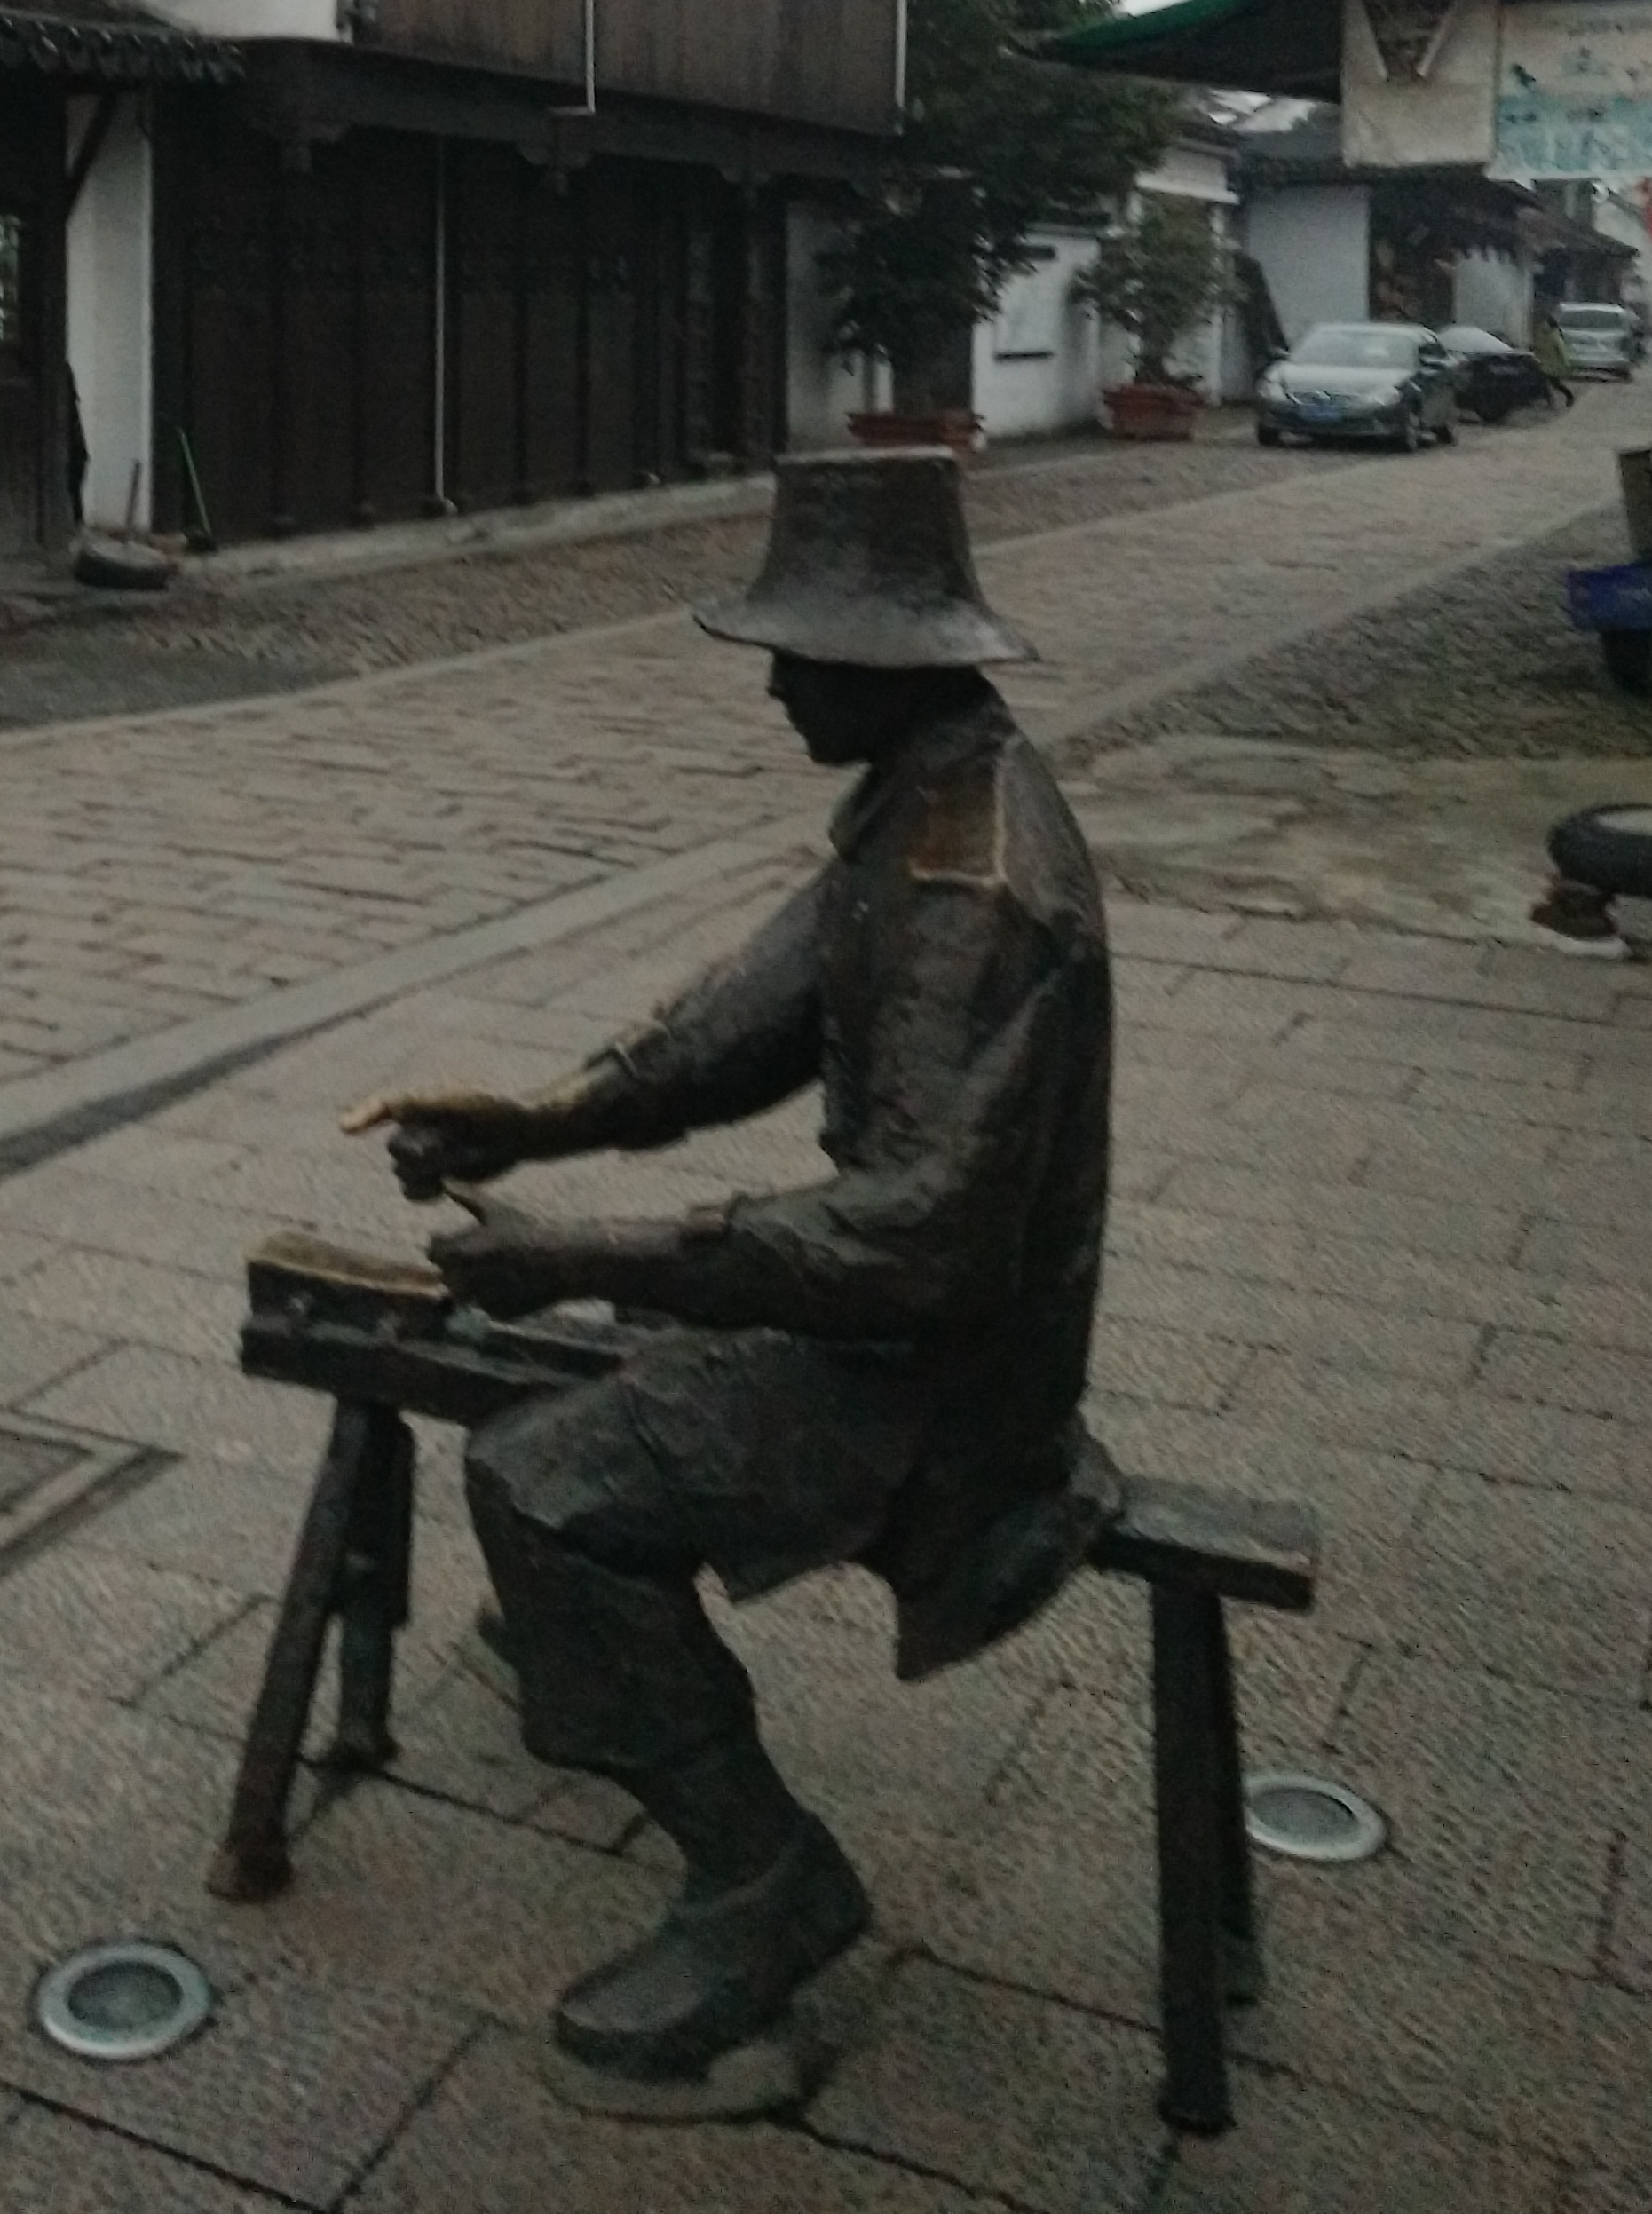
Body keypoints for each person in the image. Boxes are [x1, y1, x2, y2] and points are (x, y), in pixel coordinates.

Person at [346, 448, 1114, 2096]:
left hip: (948, 1402)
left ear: (879, 659)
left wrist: (575, 1252)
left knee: (538, 1482)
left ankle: (764, 1875)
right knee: (625, 1351)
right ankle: (598, 1660)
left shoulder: (973, 884)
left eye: (793, 653)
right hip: (923, 1342)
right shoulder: (924, 796)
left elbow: (914, 1240)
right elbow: (743, 1019)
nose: (770, 683)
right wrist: (539, 1121)